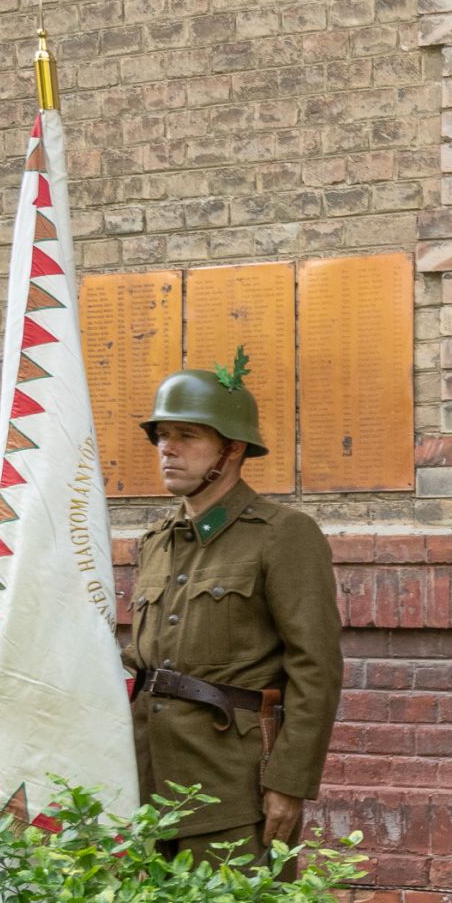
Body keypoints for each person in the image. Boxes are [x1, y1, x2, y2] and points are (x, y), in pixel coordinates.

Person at [124, 353, 344, 860]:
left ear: (232, 449)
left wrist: (289, 783)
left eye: (188, 436)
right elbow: (142, 663)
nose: (168, 449)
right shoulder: (157, 541)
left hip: (232, 791)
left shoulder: (284, 535)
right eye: (161, 435)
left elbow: (316, 668)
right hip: (145, 786)